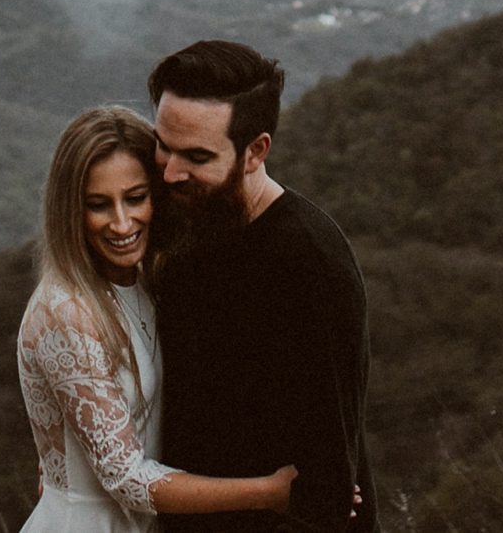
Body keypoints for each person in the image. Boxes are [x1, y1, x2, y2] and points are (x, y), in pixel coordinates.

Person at [17, 106, 298, 532]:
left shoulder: (150, 280)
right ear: (69, 210)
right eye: (98, 205)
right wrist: (269, 492)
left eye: (135, 197)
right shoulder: (66, 312)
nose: (122, 222)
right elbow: (126, 478)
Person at [145, 41, 378, 532]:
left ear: (256, 151)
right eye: (163, 144)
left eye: (197, 156)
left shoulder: (306, 264)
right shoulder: (186, 218)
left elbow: (324, 482)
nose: (170, 171)